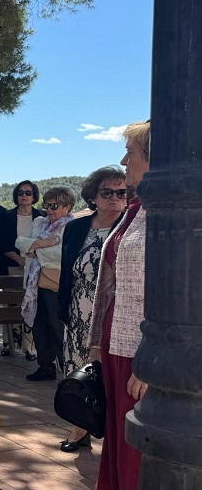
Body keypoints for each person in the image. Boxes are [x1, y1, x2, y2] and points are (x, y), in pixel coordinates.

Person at [90, 120, 150, 490]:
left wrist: (153, 361)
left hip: (142, 351)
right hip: (116, 342)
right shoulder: (137, 208)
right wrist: (98, 341)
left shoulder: (176, 212)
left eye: (132, 152)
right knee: (116, 436)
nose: (124, 160)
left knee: (137, 447)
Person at [56, 167, 126, 452]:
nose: (114, 198)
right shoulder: (75, 228)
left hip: (111, 313)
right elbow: (67, 272)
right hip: (77, 312)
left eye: (121, 192)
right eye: (106, 192)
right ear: (93, 197)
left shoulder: (128, 227)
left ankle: (112, 437)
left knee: (108, 375)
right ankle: (80, 429)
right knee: (77, 371)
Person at [16, 187, 77, 381]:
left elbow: (63, 253)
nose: (49, 210)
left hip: (56, 284)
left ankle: (67, 370)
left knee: (57, 326)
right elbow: (19, 242)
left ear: (67, 207)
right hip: (35, 283)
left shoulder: (73, 225)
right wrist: (44, 243)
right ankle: (45, 366)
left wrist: (34, 248)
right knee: (39, 324)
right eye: (47, 205)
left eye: (54, 206)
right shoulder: (39, 222)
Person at [0, 181, 44, 358]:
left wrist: (30, 260)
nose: (24, 195)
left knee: (31, 304)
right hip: (12, 266)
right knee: (11, 303)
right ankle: (9, 344)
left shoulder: (42, 216)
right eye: (20, 192)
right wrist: (19, 259)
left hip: (35, 268)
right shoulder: (6, 216)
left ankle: (29, 347)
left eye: (28, 192)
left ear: (34, 196)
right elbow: (1, 242)